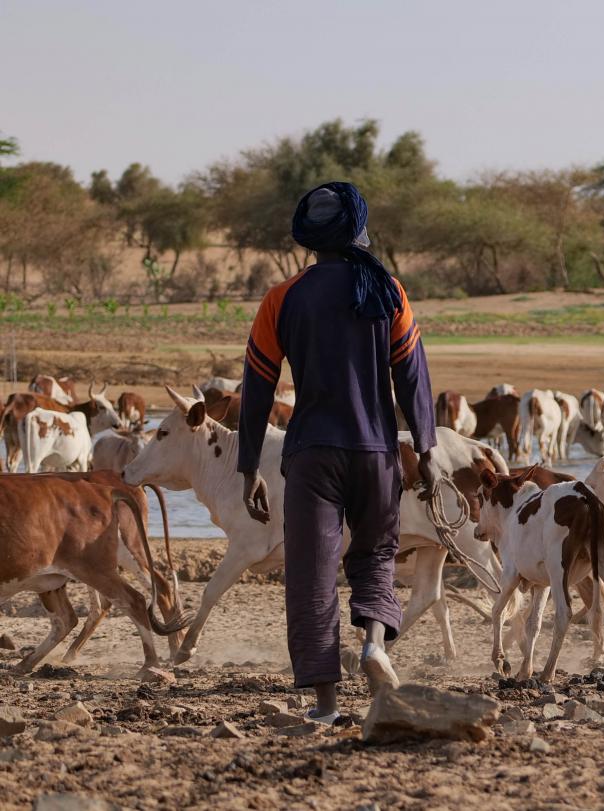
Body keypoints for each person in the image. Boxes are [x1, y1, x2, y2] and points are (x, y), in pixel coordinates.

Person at [236, 181, 436, 724]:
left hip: (310, 453)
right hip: (375, 451)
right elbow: (412, 377)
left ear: (308, 239)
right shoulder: (387, 290)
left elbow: (256, 387)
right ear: (358, 230)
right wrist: (429, 448)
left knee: (311, 574)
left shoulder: (283, 298)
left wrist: (248, 465)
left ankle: (325, 705)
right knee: (374, 554)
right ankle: (374, 644)